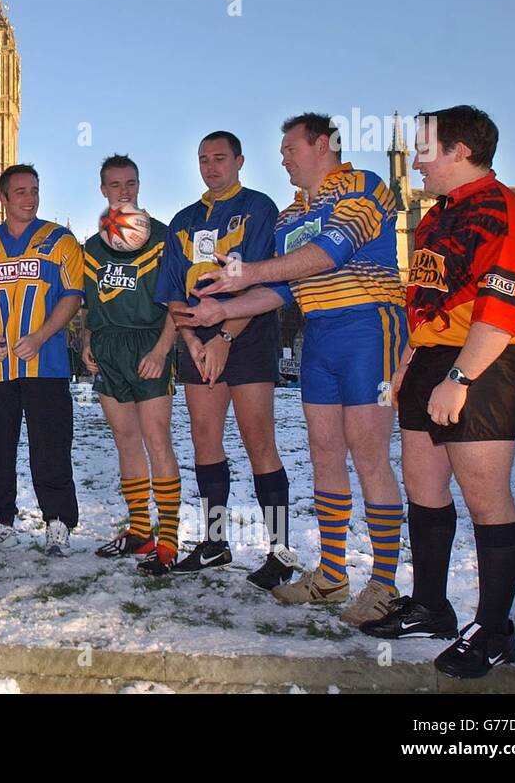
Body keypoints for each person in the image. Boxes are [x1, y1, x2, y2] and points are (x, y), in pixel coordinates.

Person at [187, 113, 407, 625]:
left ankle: (384, 584)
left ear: (324, 145)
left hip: (369, 328)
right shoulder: (288, 217)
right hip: (320, 335)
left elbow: (329, 254)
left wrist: (246, 270)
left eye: (290, 148)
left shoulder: (363, 188)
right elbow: (282, 289)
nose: (282, 157)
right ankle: (331, 575)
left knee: (369, 453)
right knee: (324, 452)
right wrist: (224, 309)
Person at [360, 106, 515, 679]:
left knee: (484, 494)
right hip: (432, 357)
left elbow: (503, 309)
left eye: (425, 149)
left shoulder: (503, 213)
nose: (414, 160)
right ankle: (432, 606)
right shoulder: (439, 215)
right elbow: (431, 300)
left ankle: (495, 632)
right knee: (423, 481)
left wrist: (460, 378)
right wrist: (409, 363)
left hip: (487, 359)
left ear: (460, 150)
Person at [152, 132, 295, 586]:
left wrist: (225, 337)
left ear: (239, 161)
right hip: (200, 340)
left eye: (219, 158)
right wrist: (192, 341)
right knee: (204, 439)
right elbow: (173, 293)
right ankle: (215, 542)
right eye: (203, 160)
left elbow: (260, 283)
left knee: (259, 441)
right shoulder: (183, 220)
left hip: (247, 335)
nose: (211, 167)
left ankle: (281, 550)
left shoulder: (258, 209)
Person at [0, 164, 83, 557]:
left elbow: (72, 296)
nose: (30, 199)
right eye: (21, 192)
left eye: (35, 190)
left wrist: (41, 336)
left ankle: (58, 522)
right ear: (3, 198)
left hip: (46, 364)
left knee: (50, 446)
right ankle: (0, 520)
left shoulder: (61, 240)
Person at [79, 155, 180, 566]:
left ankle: (169, 540)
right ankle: (140, 531)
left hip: (148, 344)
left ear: (139, 185)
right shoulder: (92, 245)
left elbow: (178, 302)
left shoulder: (163, 237)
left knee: (157, 438)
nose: (124, 191)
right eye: (116, 185)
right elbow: (92, 303)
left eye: (131, 183)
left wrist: (161, 351)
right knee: (125, 440)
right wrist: (88, 338)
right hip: (108, 347)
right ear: (103, 189)